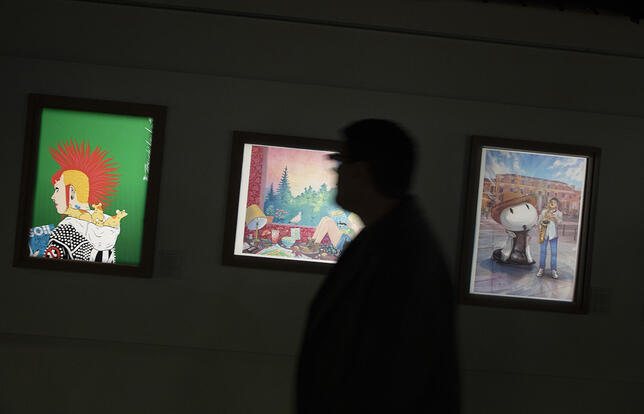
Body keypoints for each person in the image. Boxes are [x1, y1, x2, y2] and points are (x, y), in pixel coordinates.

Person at [296, 119, 459, 414]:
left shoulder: (404, 256)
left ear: (361, 171)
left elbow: (396, 379)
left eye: (341, 160)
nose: (336, 171)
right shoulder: (385, 239)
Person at [42, 140, 122, 262]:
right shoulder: (107, 229)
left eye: (57, 189)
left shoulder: (64, 231)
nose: (53, 196)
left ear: (72, 192)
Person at [536, 197, 563, 279]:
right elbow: (538, 222)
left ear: (557, 204)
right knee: (542, 252)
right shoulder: (544, 211)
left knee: (554, 253)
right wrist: (540, 228)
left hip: (553, 235)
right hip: (544, 234)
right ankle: (541, 268)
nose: (552, 203)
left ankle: (553, 270)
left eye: (554, 202)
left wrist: (554, 216)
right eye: (551, 202)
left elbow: (560, 222)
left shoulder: (559, 213)